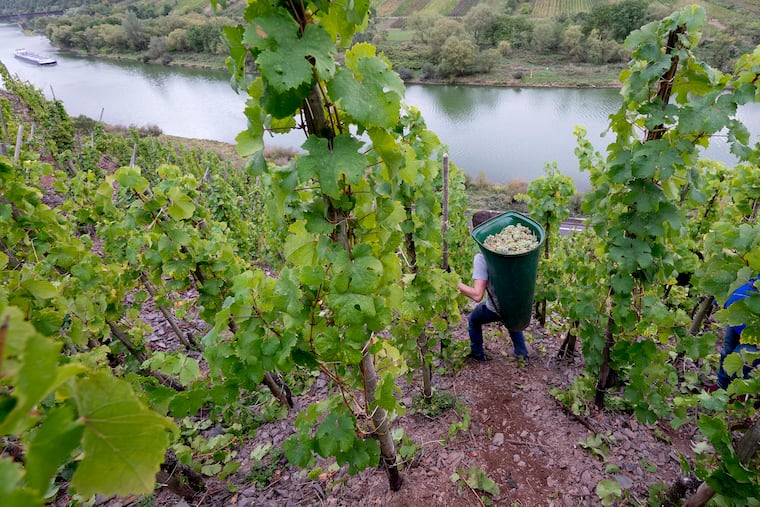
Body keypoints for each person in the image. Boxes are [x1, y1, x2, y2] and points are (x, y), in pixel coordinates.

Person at [457, 210, 529, 362]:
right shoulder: (514, 248)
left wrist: (455, 284)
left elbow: (477, 295)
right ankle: (522, 354)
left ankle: (478, 355)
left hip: (497, 307)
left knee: (474, 319)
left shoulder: (482, 257)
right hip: (518, 303)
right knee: (511, 316)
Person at [714, 277, 759, 390]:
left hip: (755, 334)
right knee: (727, 351)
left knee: (741, 360)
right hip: (738, 318)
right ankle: (721, 385)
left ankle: (737, 391)